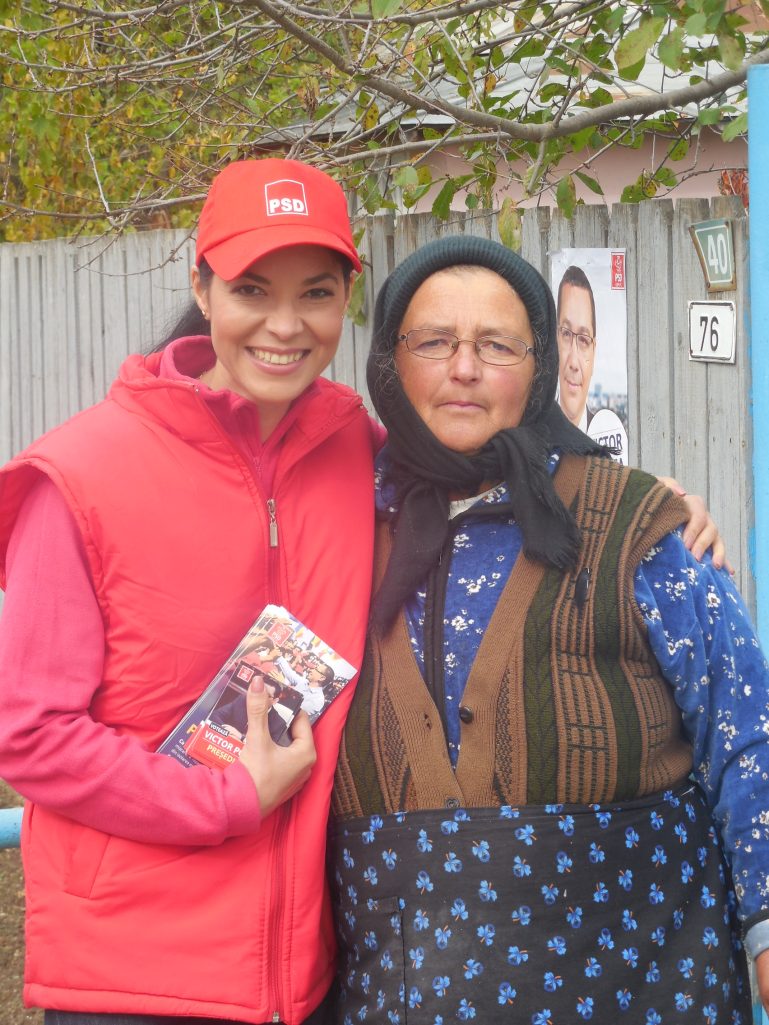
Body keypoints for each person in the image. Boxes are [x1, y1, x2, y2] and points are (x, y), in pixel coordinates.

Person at [330, 235, 769, 1024]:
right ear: (390, 363)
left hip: (642, 989)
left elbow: (745, 730)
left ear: (539, 368)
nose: (464, 367)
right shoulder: (330, 526)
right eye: (433, 342)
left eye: (497, 345)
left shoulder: (633, 524)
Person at [0, 158, 379, 1025]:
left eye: (316, 293)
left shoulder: (358, 449)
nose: (285, 324)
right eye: (251, 289)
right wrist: (224, 799)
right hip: (131, 977)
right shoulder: (82, 475)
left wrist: (652, 508)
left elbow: (485, 488)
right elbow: (31, 735)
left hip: (311, 976)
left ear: (345, 301)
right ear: (201, 288)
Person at [557, 264, 628, 462]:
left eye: (583, 340)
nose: (573, 362)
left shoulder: (606, 440)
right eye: (566, 334)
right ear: (555, 338)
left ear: (594, 351)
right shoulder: (534, 436)